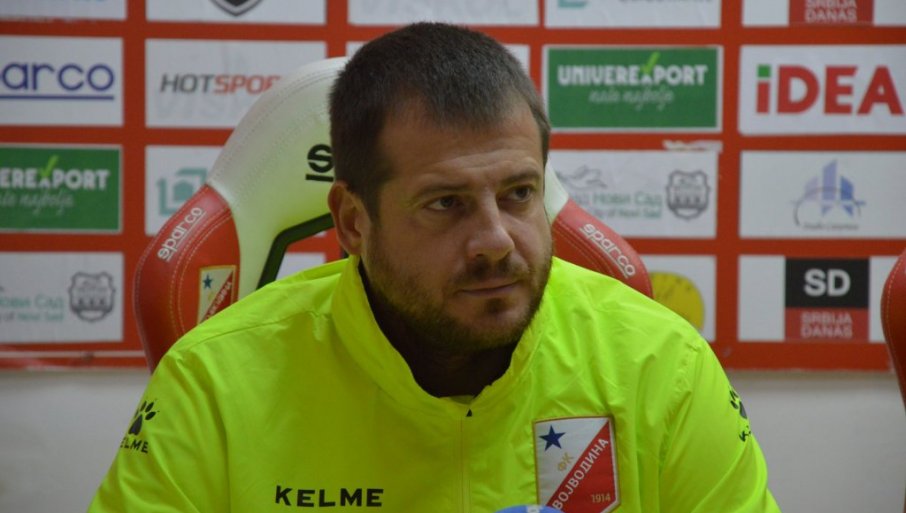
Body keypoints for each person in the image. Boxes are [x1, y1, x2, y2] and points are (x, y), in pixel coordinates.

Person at [89, 23, 780, 512]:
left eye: (519, 193)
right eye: (446, 203)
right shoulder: (215, 382)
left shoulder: (661, 364)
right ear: (353, 222)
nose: (496, 241)